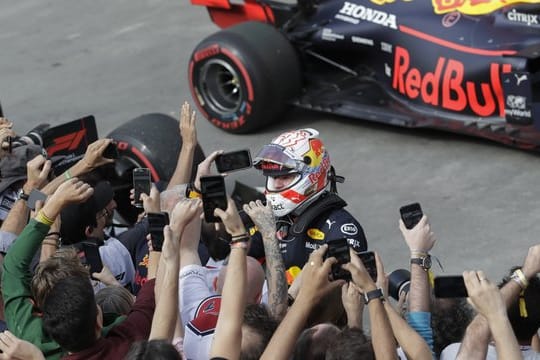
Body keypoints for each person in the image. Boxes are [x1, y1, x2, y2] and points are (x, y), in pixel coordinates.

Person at [253, 128, 367, 280]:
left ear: (313, 176)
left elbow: (344, 296)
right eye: (273, 177)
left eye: (285, 176)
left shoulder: (341, 229)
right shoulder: (269, 218)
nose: (277, 185)